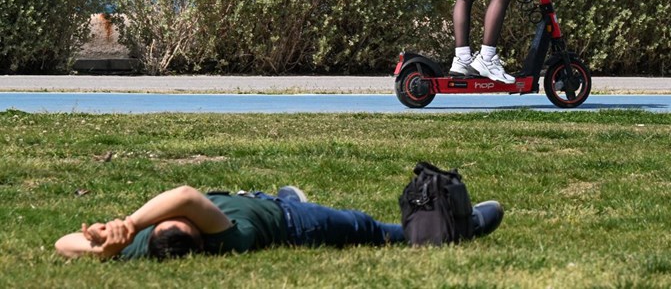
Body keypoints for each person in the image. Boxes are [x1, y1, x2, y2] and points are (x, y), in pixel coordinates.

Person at [54, 184, 504, 260]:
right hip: (291, 222)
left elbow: (60, 245)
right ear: (200, 233)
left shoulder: (140, 250)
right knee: (373, 231)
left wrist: (101, 248)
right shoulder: (224, 237)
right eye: (183, 220)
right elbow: (187, 198)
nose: (172, 216)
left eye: (162, 221)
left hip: (254, 201)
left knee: (263, 196)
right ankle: (459, 229)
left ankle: (281, 193)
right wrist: (128, 223)